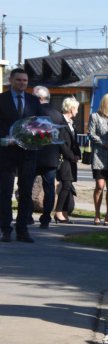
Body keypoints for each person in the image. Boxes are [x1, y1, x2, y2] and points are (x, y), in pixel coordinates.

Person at [0, 68, 43, 243]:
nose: (22, 83)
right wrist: (4, 139)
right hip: (6, 152)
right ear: (11, 80)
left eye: (25, 80)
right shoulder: (2, 100)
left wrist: (38, 136)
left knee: (26, 192)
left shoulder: (34, 101)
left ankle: (22, 229)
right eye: (18, 80)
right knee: (5, 192)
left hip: (28, 153)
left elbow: (40, 124)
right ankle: (5, 229)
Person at [32, 86, 64, 229]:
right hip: (51, 157)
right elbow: (63, 136)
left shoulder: (33, 112)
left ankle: (27, 216)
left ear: (39, 98)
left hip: (34, 155)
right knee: (49, 189)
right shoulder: (57, 114)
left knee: (27, 187)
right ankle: (46, 218)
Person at [88, 93, 108, 226]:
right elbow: (91, 133)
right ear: (107, 104)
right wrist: (103, 143)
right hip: (99, 156)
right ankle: (96, 213)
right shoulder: (94, 117)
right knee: (100, 186)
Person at [54, 97, 81, 223]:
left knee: (68, 185)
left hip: (70, 159)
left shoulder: (71, 123)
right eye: (76, 108)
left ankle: (64, 212)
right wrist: (71, 156)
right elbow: (62, 143)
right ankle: (58, 212)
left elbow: (74, 142)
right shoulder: (60, 122)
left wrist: (77, 154)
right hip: (63, 159)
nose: (77, 111)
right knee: (66, 184)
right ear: (71, 109)